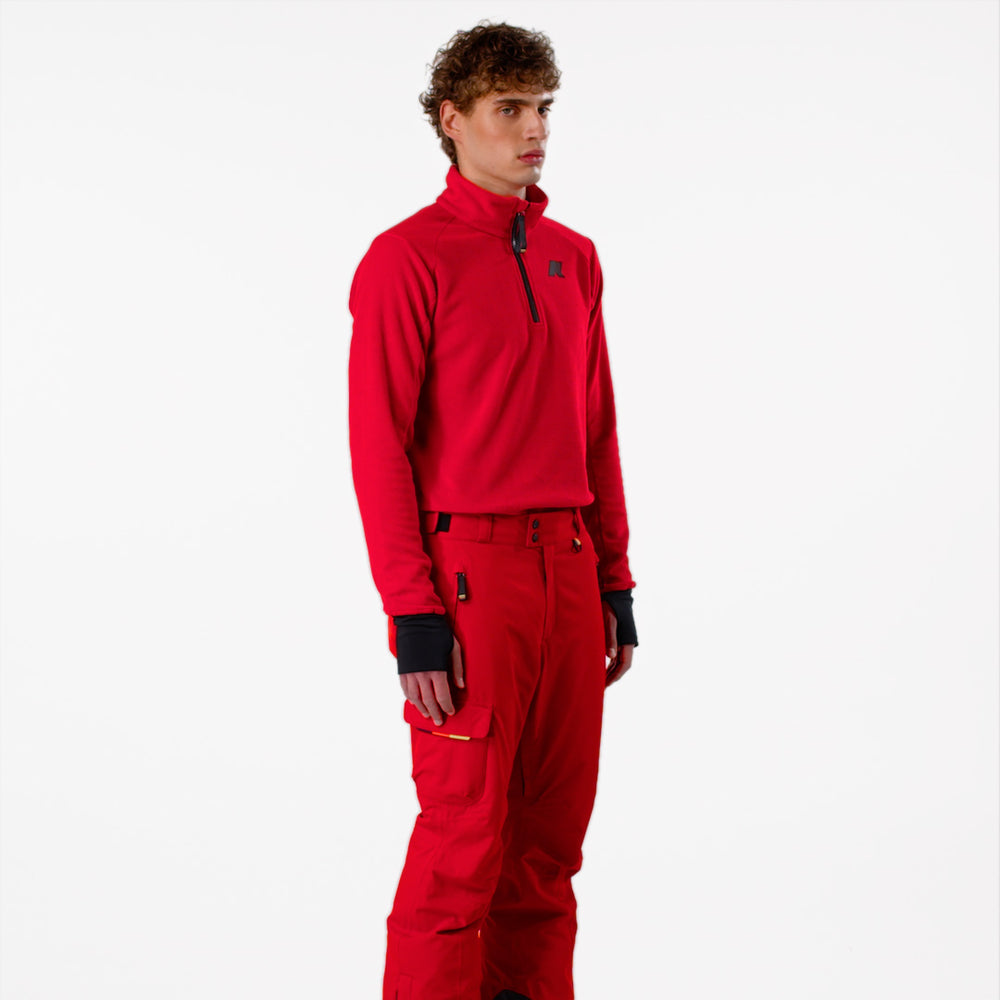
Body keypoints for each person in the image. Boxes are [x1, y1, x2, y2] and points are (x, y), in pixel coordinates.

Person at [348, 20, 639, 1000]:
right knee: (461, 845)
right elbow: (378, 450)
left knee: (548, 852)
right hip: (472, 581)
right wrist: (414, 614)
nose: (534, 130)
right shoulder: (406, 260)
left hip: (568, 573)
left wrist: (614, 581)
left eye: (542, 108)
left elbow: (597, 429)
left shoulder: (573, 258)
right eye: (509, 109)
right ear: (453, 119)